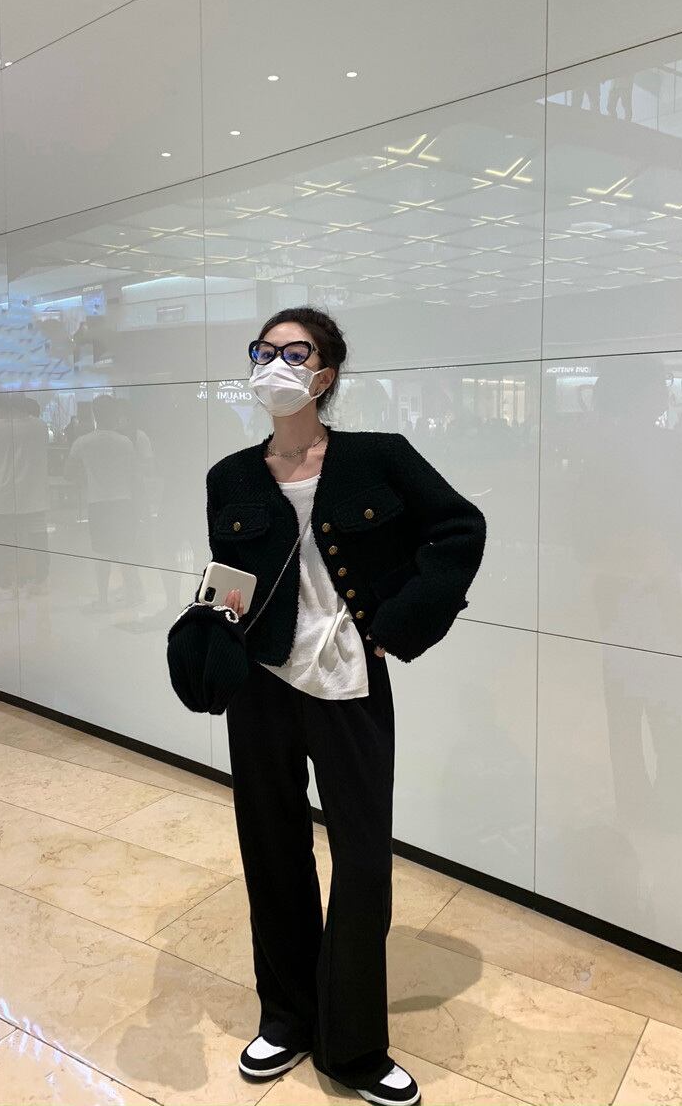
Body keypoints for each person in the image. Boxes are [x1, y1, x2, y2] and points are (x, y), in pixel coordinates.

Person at [204, 307, 486, 1106]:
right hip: (261, 686)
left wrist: (396, 626)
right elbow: (230, 574)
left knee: (361, 861)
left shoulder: (377, 457)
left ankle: (354, 1044)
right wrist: (209, 639)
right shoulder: (230, 475)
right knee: (271, 847)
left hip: (349, 682)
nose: (274, 363)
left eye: (294, 352)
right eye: (264, 350)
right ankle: (287, 1016)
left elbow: (460, 530)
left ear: (325, 374)